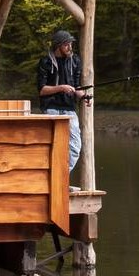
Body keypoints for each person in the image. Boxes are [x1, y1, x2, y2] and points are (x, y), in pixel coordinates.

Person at [37, 28, 89, 180]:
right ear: (58, 45)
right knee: (52, 147)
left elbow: (76, 88)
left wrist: (84, 96)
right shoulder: (46, 62)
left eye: (70, 44)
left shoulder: (75, 61)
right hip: (51, 109)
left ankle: (59, 178)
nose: (70, 47)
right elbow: (42, 90)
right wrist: (61, 87)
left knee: (75, 147)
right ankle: (50, 179)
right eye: (66, 45)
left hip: (69, 110)